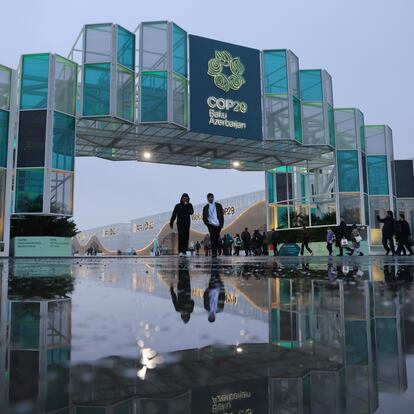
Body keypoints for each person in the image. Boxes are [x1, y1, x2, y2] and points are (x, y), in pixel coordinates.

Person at [202, 193, 224, 258]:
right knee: (212, 238)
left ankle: (215, 251)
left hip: (218, 225)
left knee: (216, 238)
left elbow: (222, 215)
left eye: (211, 197)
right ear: (207, 199)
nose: (210, 198)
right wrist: (207, 223)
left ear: (213, 198)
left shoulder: (218, 205)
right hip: (210, 224)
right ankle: (214, 252)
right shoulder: (206, 207)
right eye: (209, 197)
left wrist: (221, 224)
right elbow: (204, 217)